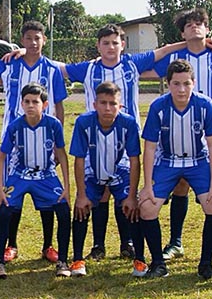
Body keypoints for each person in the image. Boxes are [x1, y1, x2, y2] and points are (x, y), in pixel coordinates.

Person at [58, 24, 186, 262]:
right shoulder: (89, 68)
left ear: (122, 45)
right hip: (95, 139)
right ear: (98, 46)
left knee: (125, 191)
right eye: (105, 43)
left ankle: (127, 243)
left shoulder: (131, 64)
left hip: (126, 137)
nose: (110, 47)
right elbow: (61, 69)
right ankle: (98, 245)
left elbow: (163, 52)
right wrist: (27, 52)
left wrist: (193, 41)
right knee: (101, 192)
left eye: (115, 43)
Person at [152, 8, 212, 264]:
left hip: (210, 136)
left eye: (200, 23)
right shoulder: (174, 57)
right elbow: (145, 66)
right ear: (182, 32)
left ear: (208, 29)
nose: (194, 27)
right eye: (189, 25)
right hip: (177, 134)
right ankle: (176, 242)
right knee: (180, 186)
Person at [125, 59, 212, 280]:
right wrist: (147, 185)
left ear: (193, 83)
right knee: (148, 207)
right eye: (176, 84)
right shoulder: (158, 107)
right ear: (168, 84)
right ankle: (158, 263)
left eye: (186, 83)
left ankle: (206, 264)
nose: (181, 89)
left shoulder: (204, 104)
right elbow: (149, 148)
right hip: (168, 161)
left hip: (197, 161)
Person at [0, 20, 67, 264]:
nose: (33, 43)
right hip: (13, 141)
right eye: (28, 38)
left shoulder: (53, 70)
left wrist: (57, 143)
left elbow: (59, 106)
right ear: (22, 41)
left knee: (47, 194)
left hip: (44, 140)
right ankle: (11, 245)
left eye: (38, 38)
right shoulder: (10, 65)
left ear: (44, 40)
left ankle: (48, 245)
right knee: (14, 193)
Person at [0, 83, 71, 279]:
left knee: (62, 209)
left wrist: (67, 186)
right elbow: (1, 156)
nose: (30, 105)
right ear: (21, 103)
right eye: (26, 101)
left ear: (44, 104)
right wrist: (0, 189)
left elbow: (61, 154)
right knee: (5, 209)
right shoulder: (15, 126)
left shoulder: (53, 125)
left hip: (46, 175)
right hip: (20, 175)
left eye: (35, 102)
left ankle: (62, 260)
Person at [69, 82, 141, 277]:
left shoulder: (128, 123)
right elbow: (79, 160)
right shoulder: (84, 123)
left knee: (131, 206)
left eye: (112, 103)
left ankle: (138, 258)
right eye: (103, 103)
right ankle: (77, 260)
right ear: (95, 105)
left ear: (120, 106)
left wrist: (132, 195)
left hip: (120, 171)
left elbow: (135, 160)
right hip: (93, 172)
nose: (107, 108)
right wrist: (81, 194)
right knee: (81, 207)